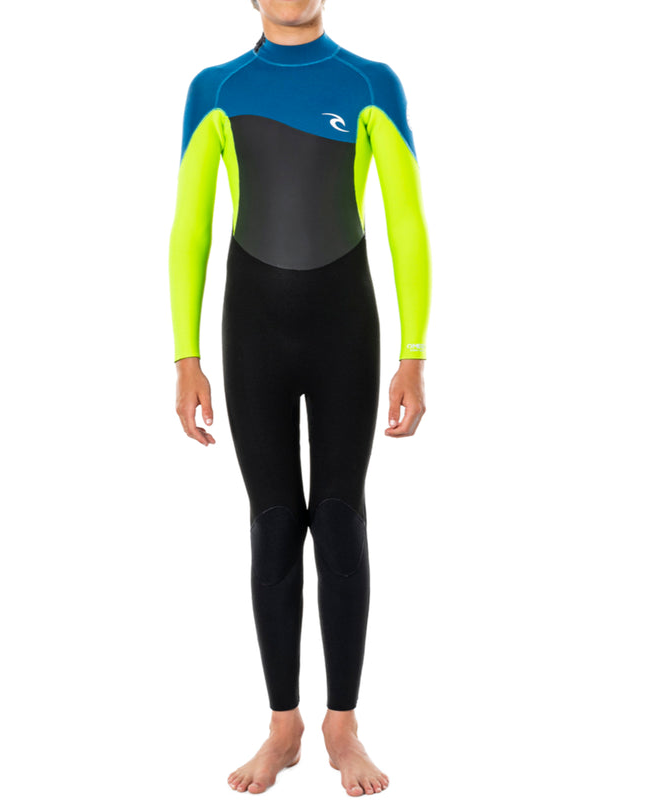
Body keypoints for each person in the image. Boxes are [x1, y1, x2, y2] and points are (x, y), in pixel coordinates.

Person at [168, 0, 431, 795]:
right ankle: (283, 728)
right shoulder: (215, 89)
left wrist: (414, 354)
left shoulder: (371, 83)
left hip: (345, 327)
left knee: (341, 518)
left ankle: (341, 728)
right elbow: (190, 227)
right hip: (253, 332)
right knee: (275, 522)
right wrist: (185, 356)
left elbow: (406, 219)